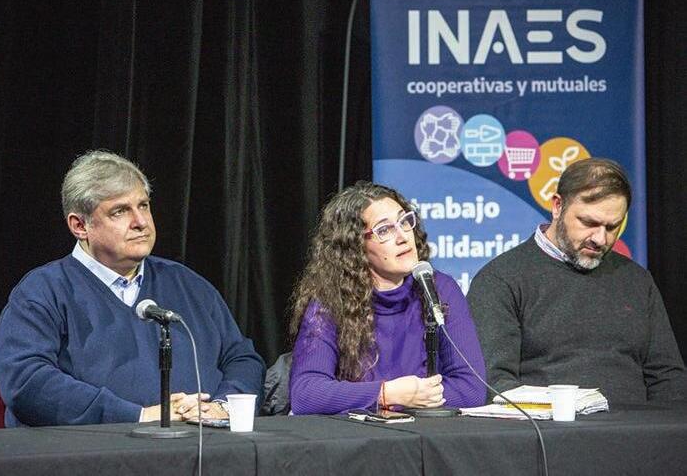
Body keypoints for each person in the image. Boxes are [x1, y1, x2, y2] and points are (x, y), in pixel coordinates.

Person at [0, 150, 265, 426]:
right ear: (79, 225)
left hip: (199, 443)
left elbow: (242, 359)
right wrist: (138, 416)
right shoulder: (42, 291)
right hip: (93, 448)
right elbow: (26, 380)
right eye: (120, 211)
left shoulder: (188, 284)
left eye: (143, 206)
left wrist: (221, 407)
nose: (141, 222)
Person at [467, 157, 687, 404]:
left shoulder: (636, 279)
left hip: (639, 426)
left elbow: (668, 377)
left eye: (612, 227)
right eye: (589, 223)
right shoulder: (501, 279)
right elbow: (495, 384)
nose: (600, 239)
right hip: (549, 426)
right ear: (558, 206)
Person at [288, 181, 486, 415]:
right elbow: (306, 394)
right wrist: (387, 394)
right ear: (356, 247)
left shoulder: (440, 289)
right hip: (358, 434)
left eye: (404, 222)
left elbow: (472, 388)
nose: (402, 236)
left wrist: (414, 398)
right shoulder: (330, 301)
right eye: (384, 230)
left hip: (426, 433)